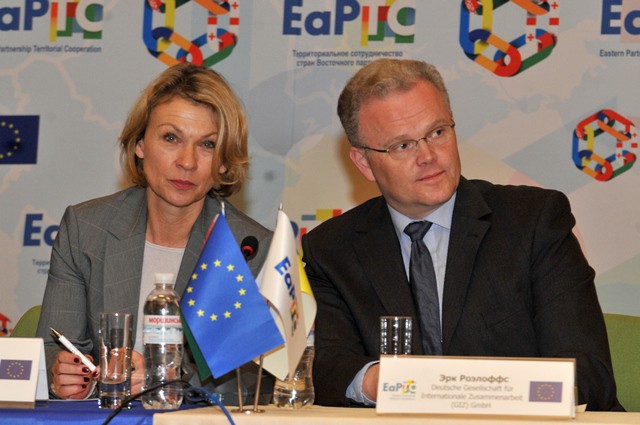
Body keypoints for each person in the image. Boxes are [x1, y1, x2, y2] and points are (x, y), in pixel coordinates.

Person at [301, 58, 622, 411]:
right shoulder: (331, 249)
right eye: (402, 146)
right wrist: (387, 382)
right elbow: (328, 368)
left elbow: (587, 373)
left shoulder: (534, 220)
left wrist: (475, 393)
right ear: (364, 162)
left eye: (438, 132)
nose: (428, 156)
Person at [35, 63, 273, 403]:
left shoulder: (249, 248)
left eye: (207, 144)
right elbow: (52, 347)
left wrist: (166, 377)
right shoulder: (86, 229)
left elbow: (249, 382)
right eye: (171, 138)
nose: (187, 162)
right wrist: (64, 375)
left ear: (223, 162)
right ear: (140, 145)